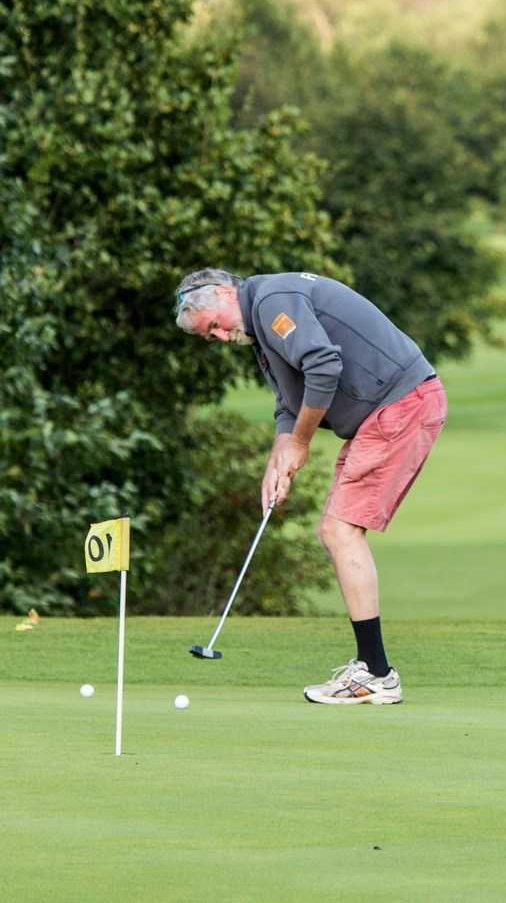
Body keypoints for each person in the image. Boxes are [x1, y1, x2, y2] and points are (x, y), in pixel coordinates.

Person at [174, 268, 447, 706]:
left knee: (340, 530)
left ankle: (376, 675)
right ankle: (374, 671)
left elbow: (323, 363)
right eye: (211, 338)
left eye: (215, 326)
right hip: (387, 411)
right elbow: (290, 400)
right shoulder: (263, 327)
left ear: (225, 293)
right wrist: (278, 458)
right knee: (334, 531)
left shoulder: (271, 302)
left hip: (400, 404)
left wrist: (300, 442)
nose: (222, 338)